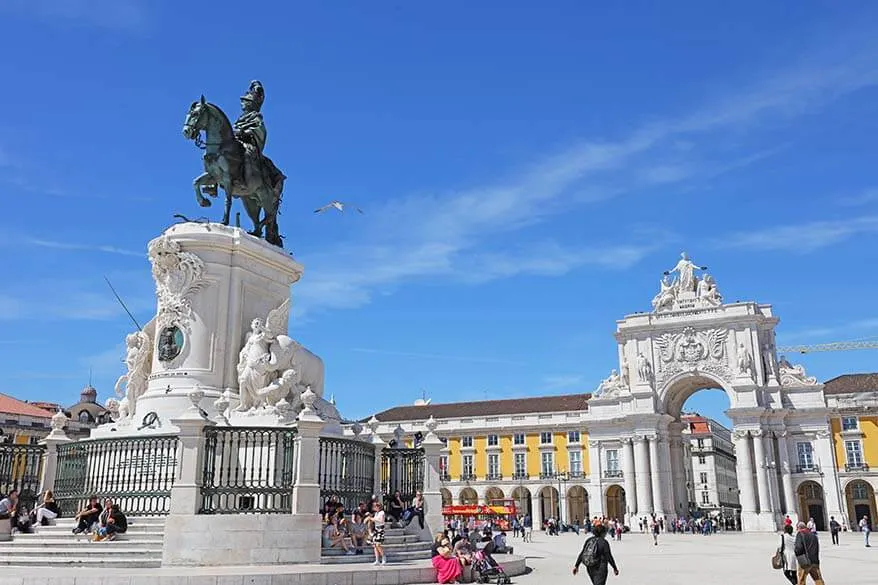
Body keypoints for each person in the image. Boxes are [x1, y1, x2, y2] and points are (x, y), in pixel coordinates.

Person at [368, 501, 387, 565]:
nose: (374, 507)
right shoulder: (376, 513)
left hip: (380, 529)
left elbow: (381, 520)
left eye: (375, 506)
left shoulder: (382, 513)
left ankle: (383, 556)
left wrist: (372, 519)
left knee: (378, 544)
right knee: (375, 545)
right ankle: (377, 560)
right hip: (376, 529)